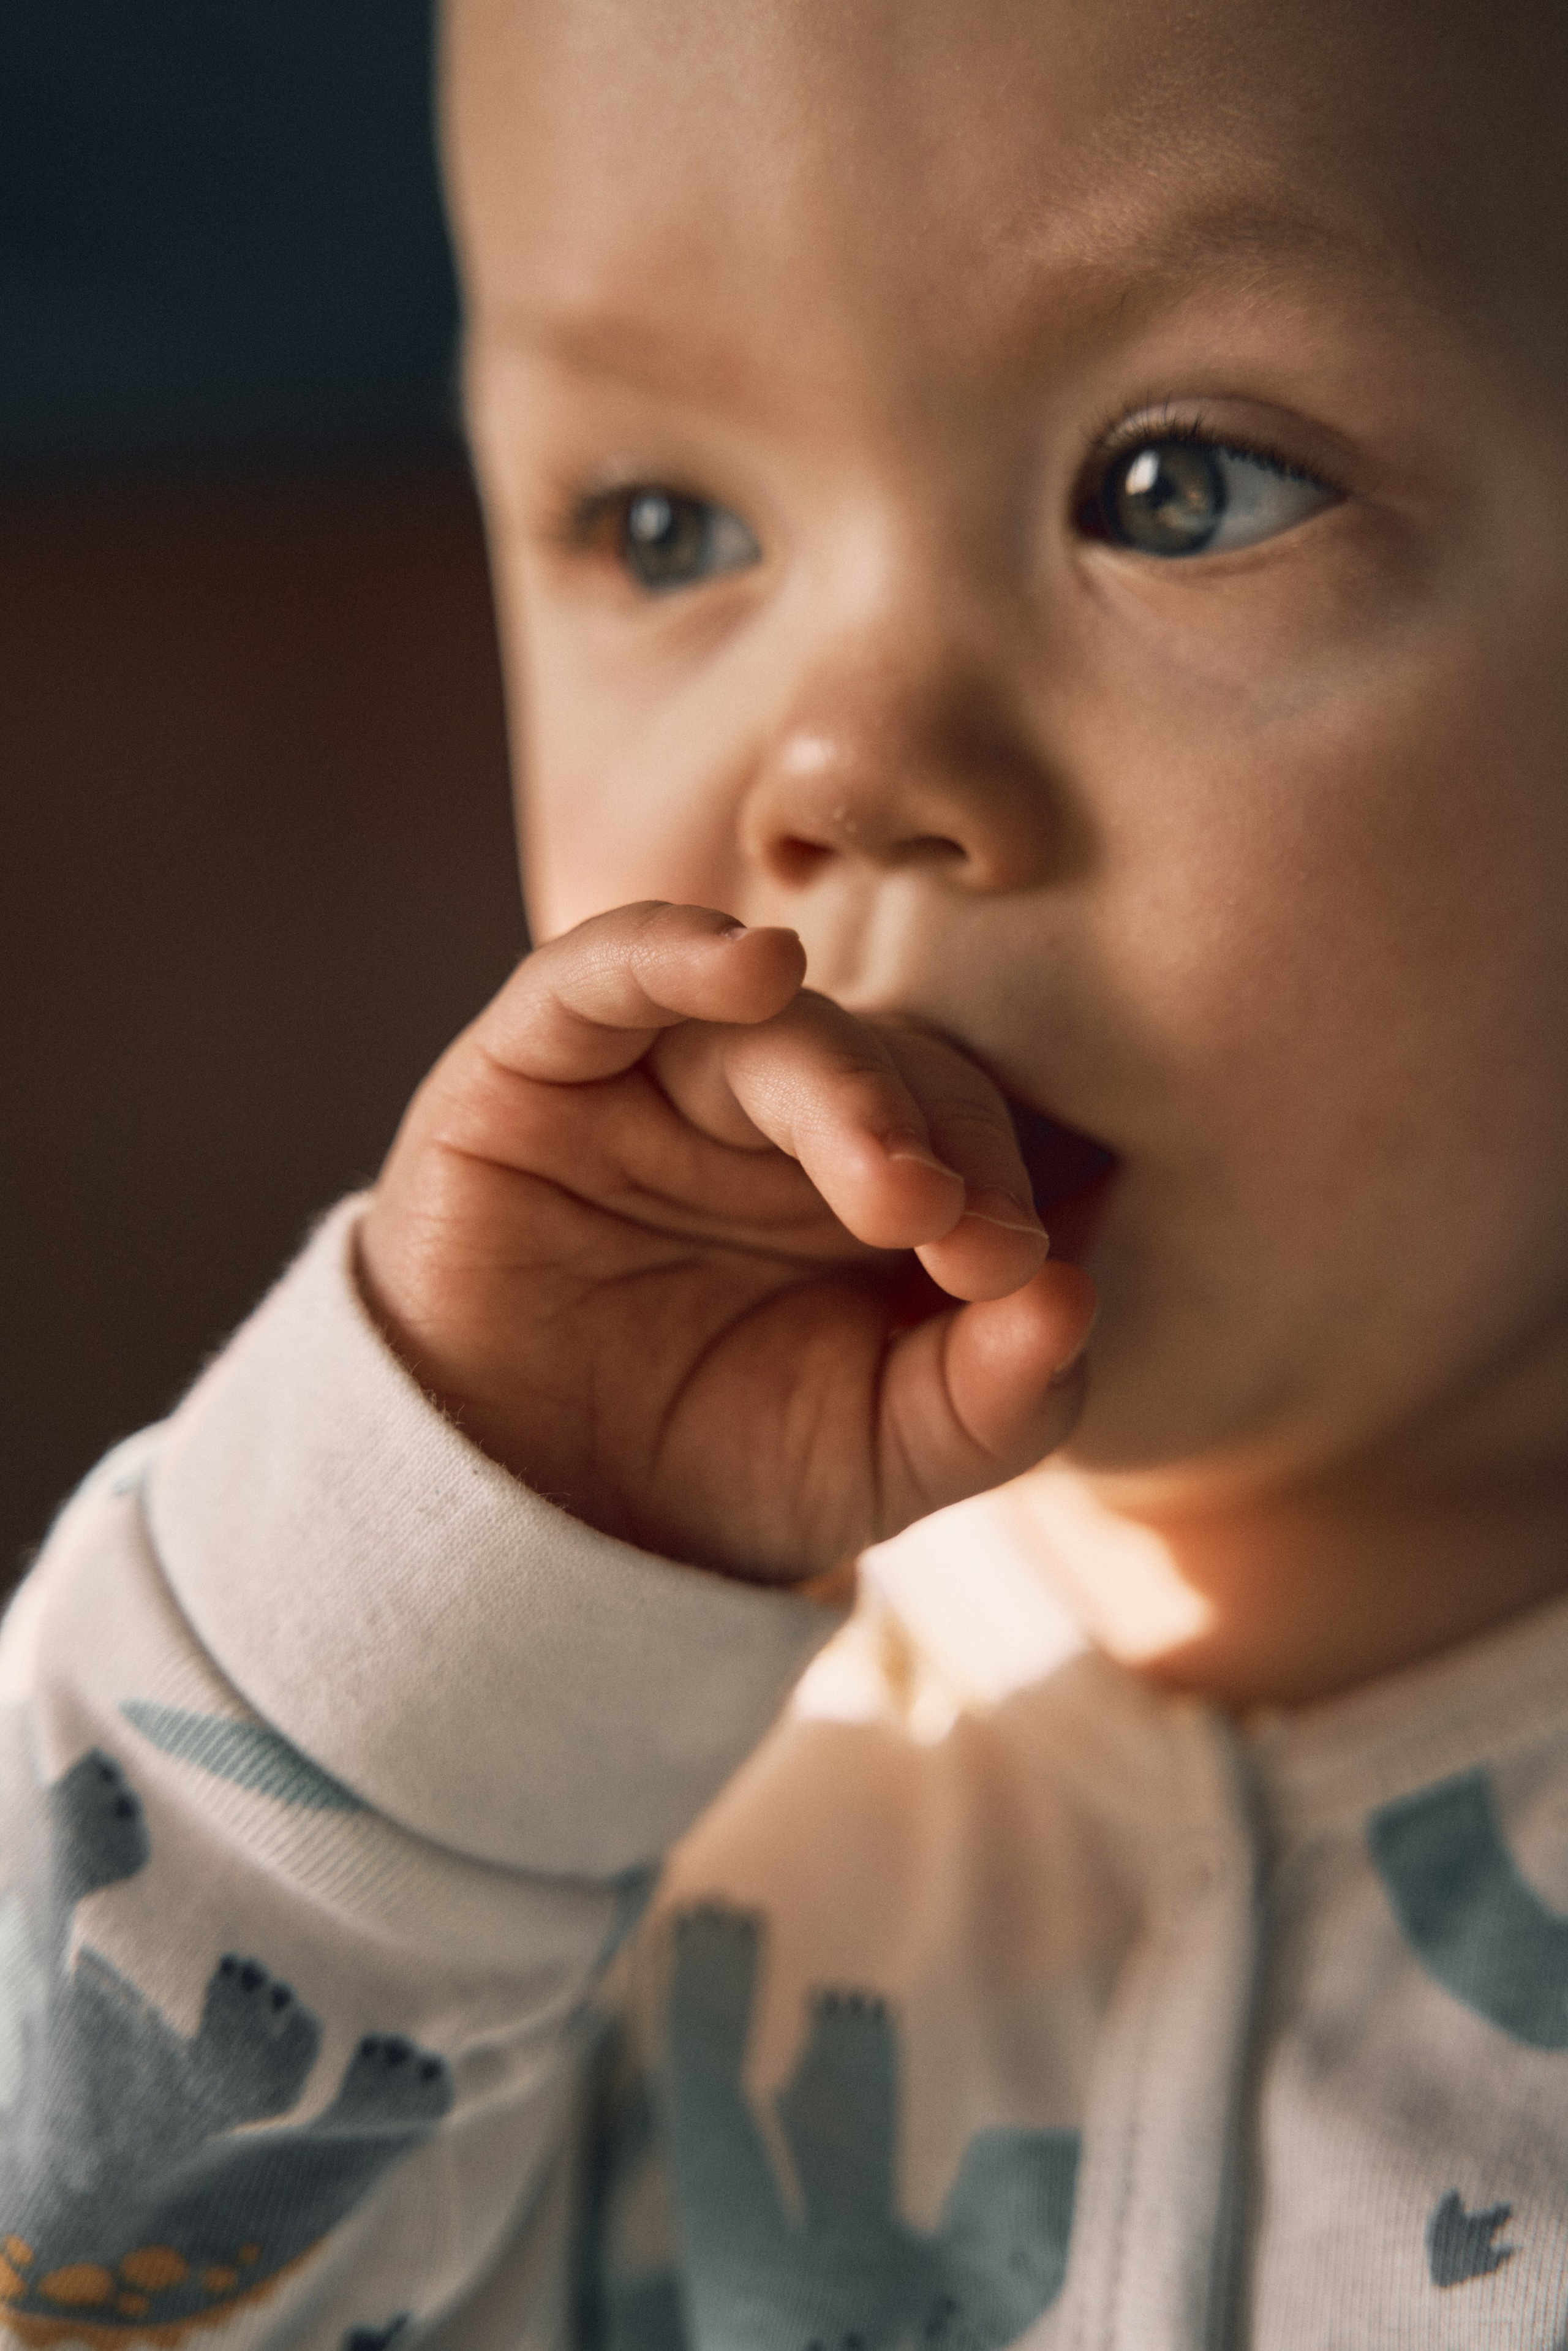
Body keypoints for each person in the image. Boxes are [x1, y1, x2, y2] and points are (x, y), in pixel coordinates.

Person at [5, 0, 1568, 2341]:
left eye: (1183, 489)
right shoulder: (488, 1832)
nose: (843, 767)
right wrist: (423, 1596)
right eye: (665, 527)